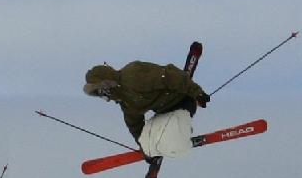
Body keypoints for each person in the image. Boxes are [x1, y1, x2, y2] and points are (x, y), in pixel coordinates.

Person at [82, 60, 210, 159]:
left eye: (101, 90)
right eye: (99, 94)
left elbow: (168, 75)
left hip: (183, 101)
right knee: (149, 144)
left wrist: (197, 93)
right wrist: (145, 148)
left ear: (107, 83)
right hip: (164, 111)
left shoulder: (132, 77)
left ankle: (182, 142)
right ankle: (159, 147)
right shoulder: (124, 99)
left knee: (172, 143)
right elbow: (134, 123)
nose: (104, 95)